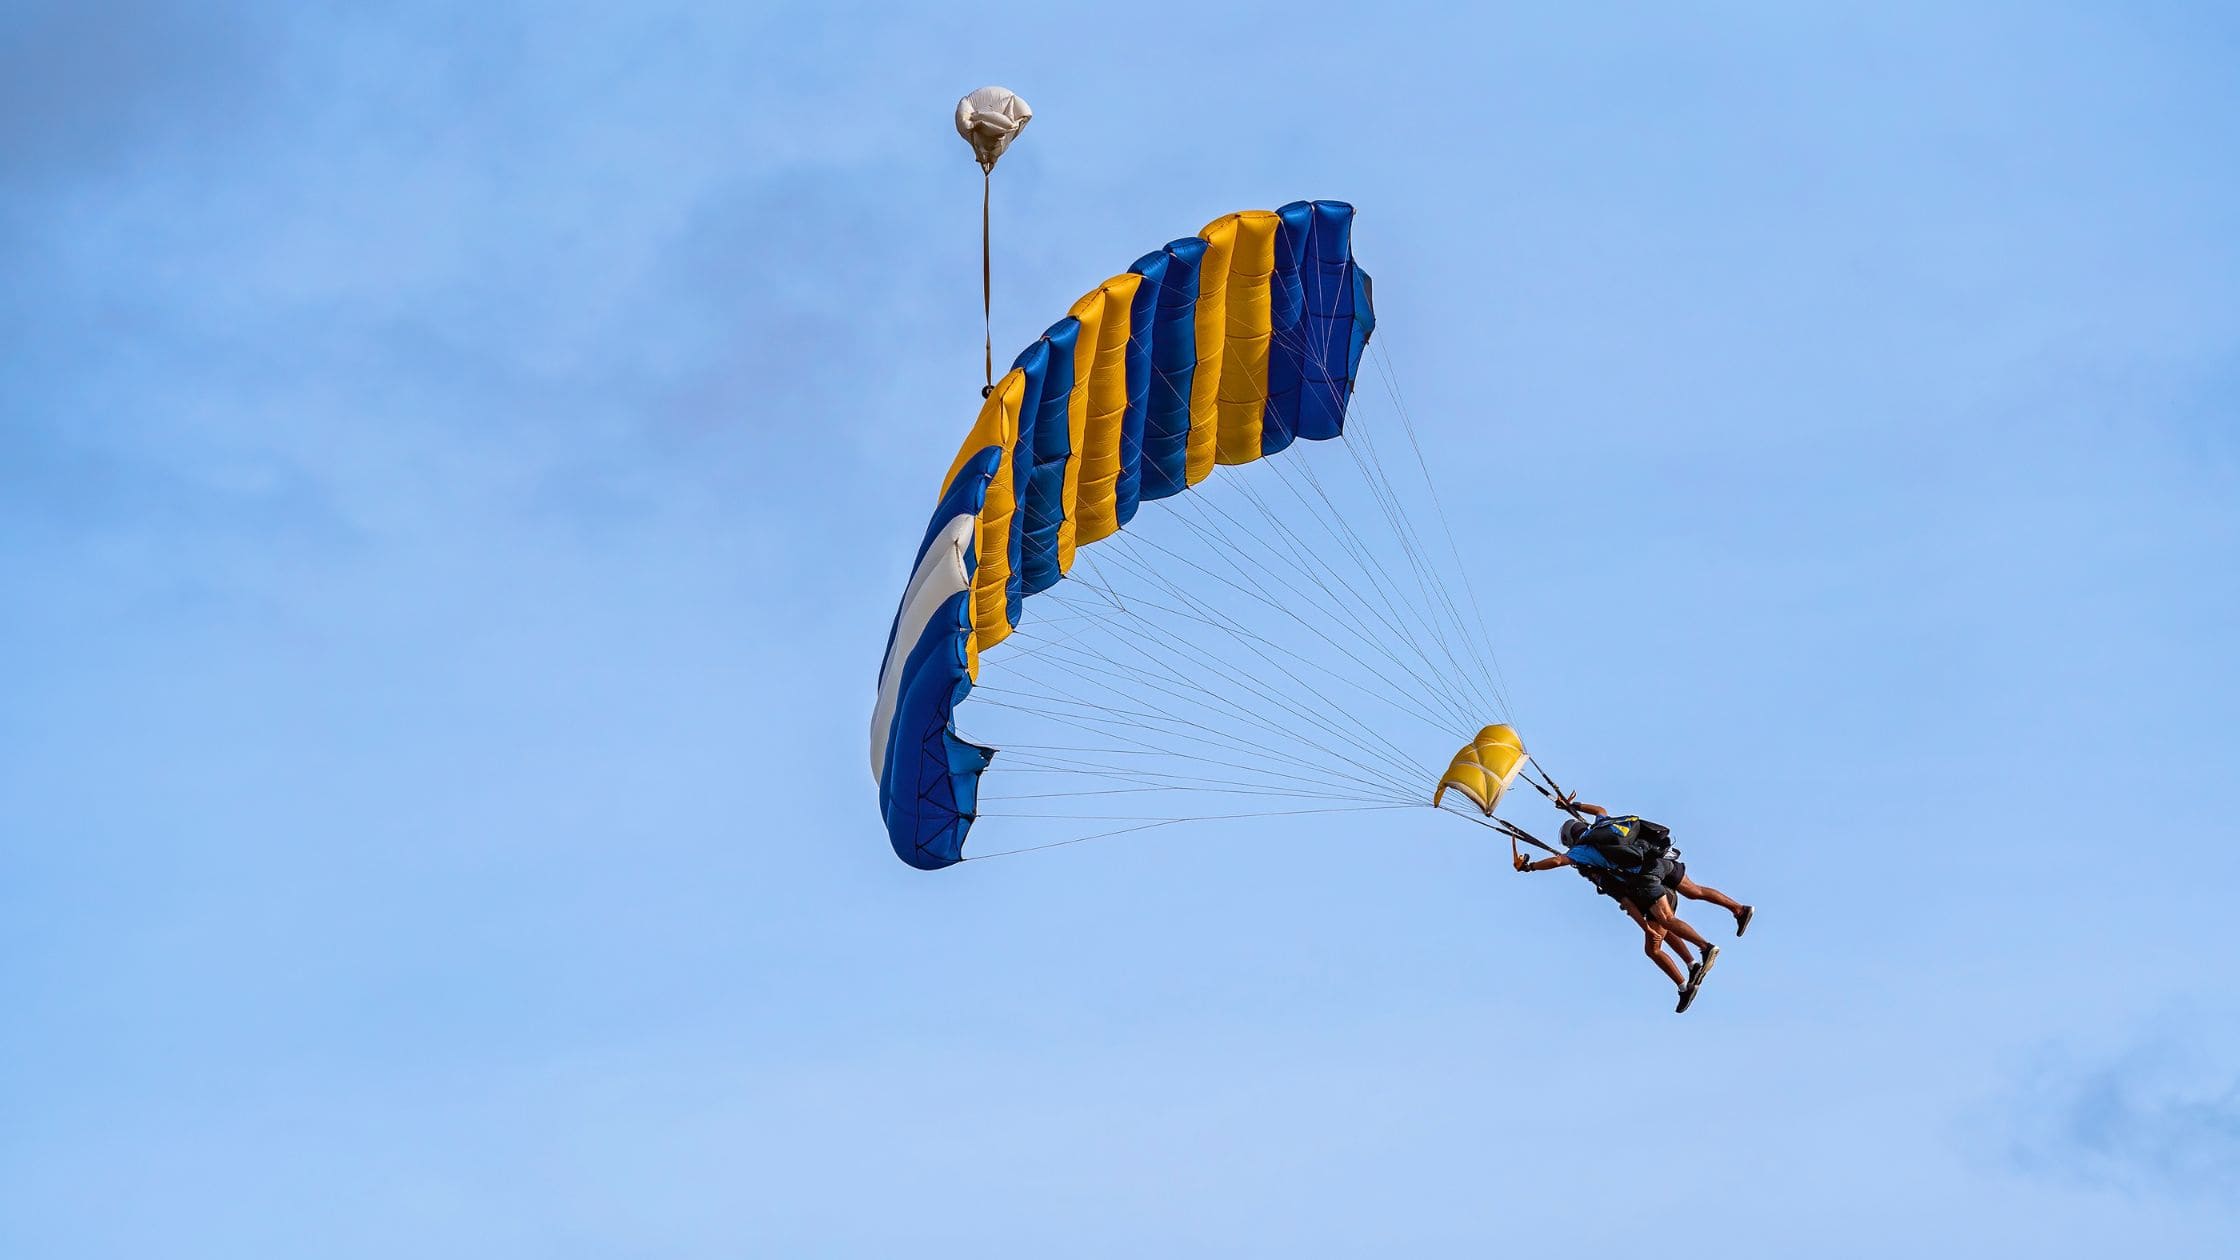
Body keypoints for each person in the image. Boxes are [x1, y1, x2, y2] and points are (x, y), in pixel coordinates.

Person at [1513, 797, 1754, 1012]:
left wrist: (1530, 866)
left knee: (1658, 937)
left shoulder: (1582, 853)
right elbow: (1600, 808)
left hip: (1646, 879)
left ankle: (1702, 952)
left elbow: (1558, 861)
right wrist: (1572, 806)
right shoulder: (1600, 824)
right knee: (1695, 892)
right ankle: (1738, 911)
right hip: (1660, 860)